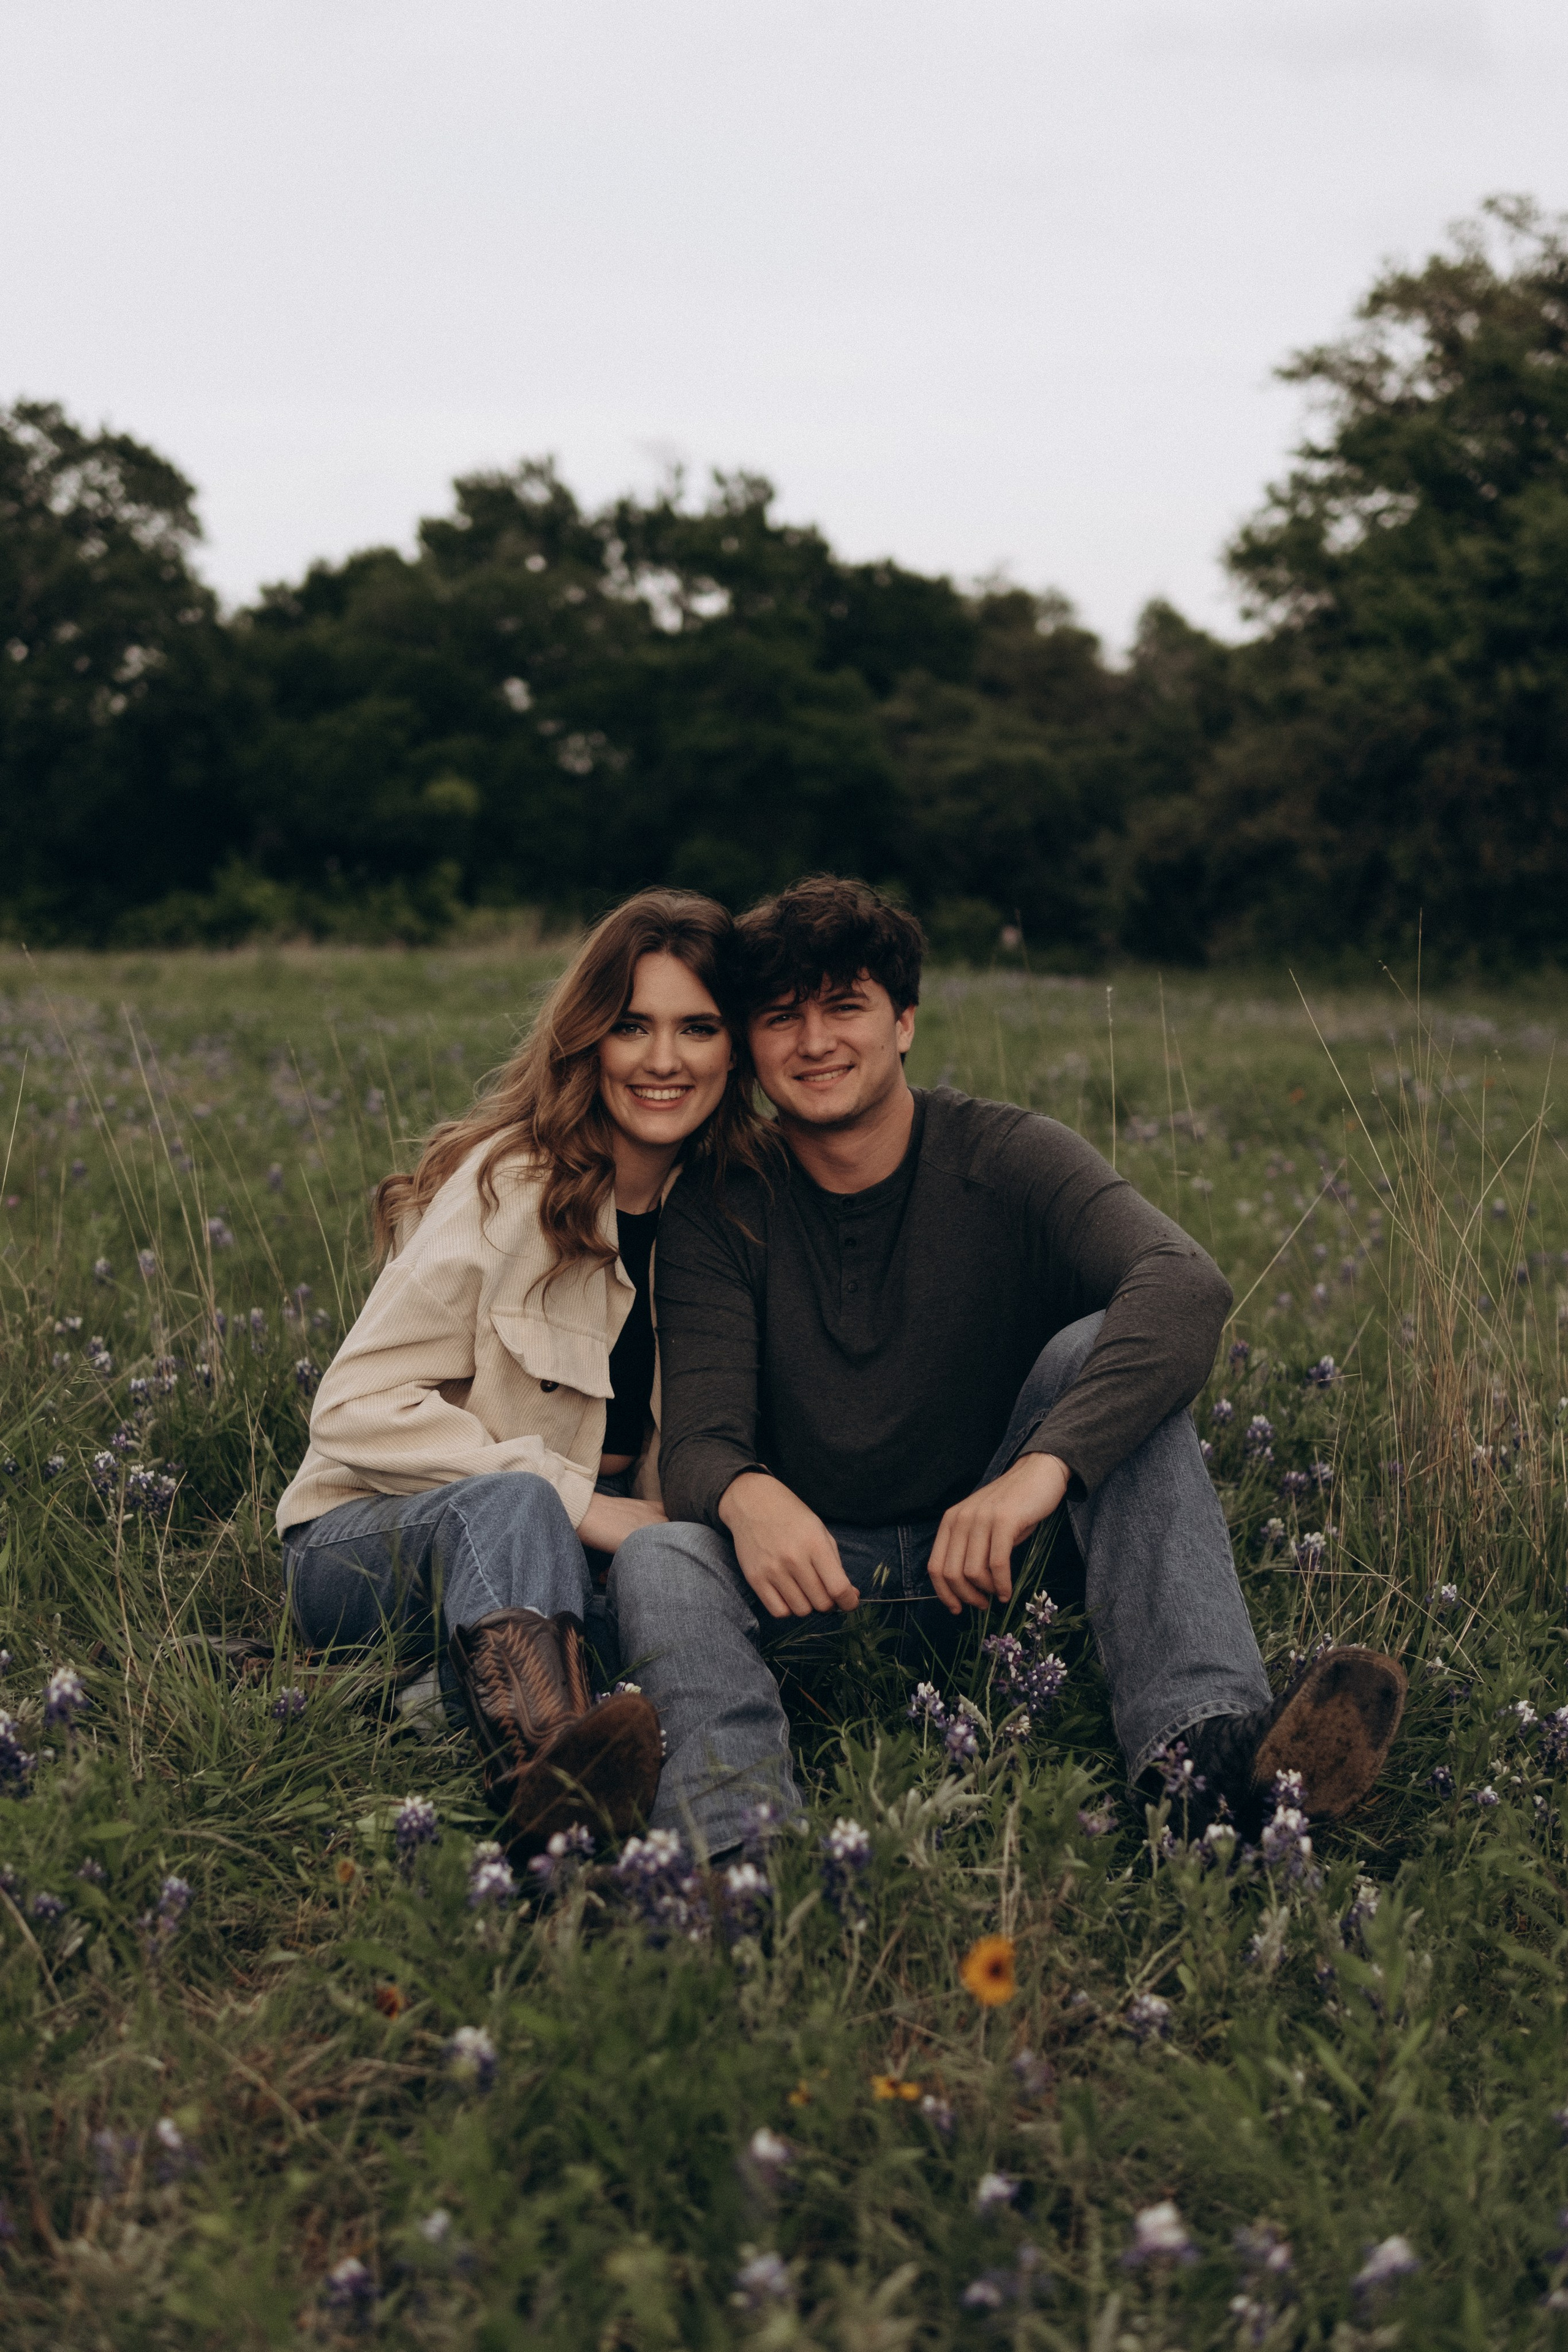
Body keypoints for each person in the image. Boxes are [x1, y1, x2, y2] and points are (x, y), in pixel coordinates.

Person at [611, 875, 1405, 1860]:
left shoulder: (1009, 1154)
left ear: (902, 1022)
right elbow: (698, 1441)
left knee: (1103, 1350)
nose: (814, 1042)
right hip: (817, 1584)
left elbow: (1184, 1282)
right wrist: (740, 1493)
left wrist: (1044, 1470)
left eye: (845, 1007)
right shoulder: (721, 1201)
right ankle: (736, 1841)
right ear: (753, 1046)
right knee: (660, 1554)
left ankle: (1202, 1756)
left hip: (1002, 1576)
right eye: (782, 1017)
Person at [276, 888, 772, 1853]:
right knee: (515, 1507)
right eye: (632, 1025)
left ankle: (430, 1697)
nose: (663, 1060)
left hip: (581, 1561)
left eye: (697, 1028)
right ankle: (553, 1794)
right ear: (590, 1038)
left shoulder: (733, 1210)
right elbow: (351, 1408)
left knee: (677, 1597)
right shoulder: (510, 1184)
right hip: (369, 1544)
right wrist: (578, 1499)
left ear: (734, 1048)